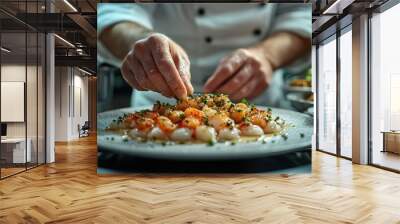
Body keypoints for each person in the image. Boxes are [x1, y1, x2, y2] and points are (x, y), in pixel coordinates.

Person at [98, 3, 311, 107]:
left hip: (260, 103)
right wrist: (141, 42)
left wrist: (267, 55)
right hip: (157, 103)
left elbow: (302, 13)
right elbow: (118, 8)